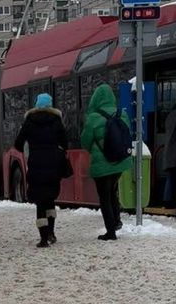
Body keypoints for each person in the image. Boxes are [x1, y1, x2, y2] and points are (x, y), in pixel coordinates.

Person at [14, 93, 69, 248]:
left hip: (36, 165)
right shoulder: (56, 120)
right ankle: (51, 232)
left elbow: (18, 143)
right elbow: (65, 143)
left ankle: (43, 238)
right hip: (53, 165)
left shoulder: (29, 121)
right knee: (50, 198)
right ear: (50, 105)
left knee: (40, 202)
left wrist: (31, 149)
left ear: (36, 105)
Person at [81, 83, 133, 241]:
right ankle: (116, 221)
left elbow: (85, 142)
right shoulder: (122, 114)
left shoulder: (93, 118)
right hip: (120, 161)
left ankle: (111, 232)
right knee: (112, 192)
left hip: (102, 164)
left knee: (104, 197)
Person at [160, 104, 176, 209]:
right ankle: (169, 200)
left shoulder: (170, 116)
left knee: (171, 177)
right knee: (173, 177)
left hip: (169, 152)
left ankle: (167, 199)